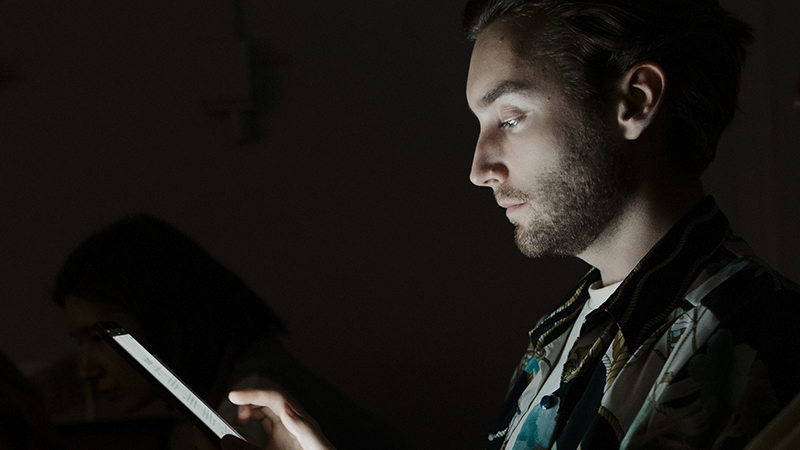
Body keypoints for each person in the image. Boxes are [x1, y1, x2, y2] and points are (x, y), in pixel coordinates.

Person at [219, 1, 800, 450]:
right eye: (481, 123)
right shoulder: (561, 335)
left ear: (636, 100)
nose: (479, 169)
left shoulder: (759, 338)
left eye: (511, 117)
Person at [52, 215, 412, 450]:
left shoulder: (252, 403)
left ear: (166, 312)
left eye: (99, 338)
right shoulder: (252, 375)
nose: (87, 369)